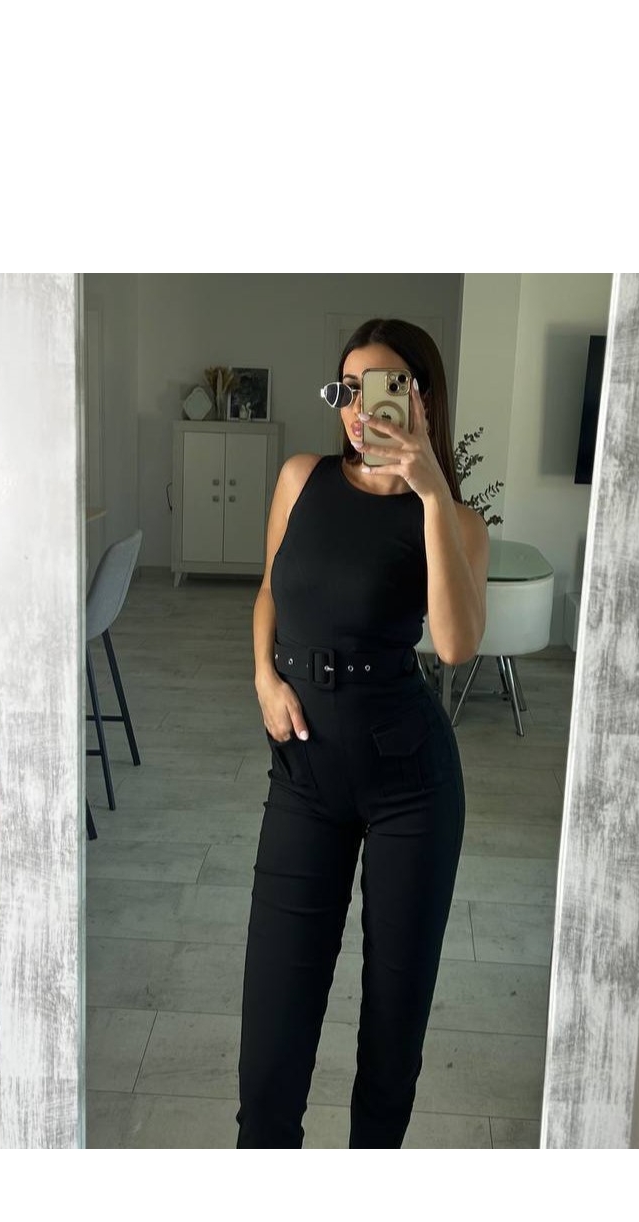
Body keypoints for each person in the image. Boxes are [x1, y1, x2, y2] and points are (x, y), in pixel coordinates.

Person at [235, 317, 490, 1148]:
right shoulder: (300, 479)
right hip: (304, 773)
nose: (357, 408)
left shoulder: (455, 519)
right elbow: (269, 594)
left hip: (410, 780)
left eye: (381, 388)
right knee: (272, 1035)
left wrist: (430, 493)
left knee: (392, 1030)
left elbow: (455, 645)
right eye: (346, 389)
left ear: (421, 398)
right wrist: (265, 678)